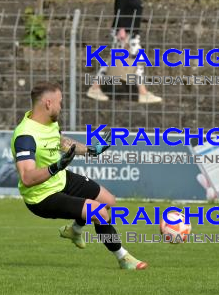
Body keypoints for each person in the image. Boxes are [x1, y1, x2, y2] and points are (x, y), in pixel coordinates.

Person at [12, 81, 147, 270]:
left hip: (60, 179)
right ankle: (123, 258)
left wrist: (91, 150)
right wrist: (55, 167)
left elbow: (60, 141)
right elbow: (27, 178)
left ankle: (74, 230)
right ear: (48, 103)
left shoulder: (48, 122)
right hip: (41, 196)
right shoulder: (25, 135)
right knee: (99, 212)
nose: (62, 106)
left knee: (109, 201)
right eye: (60, 102)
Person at [89, 0, 162, 103]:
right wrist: (121, 29)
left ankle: (141, 92)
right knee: (126, 60)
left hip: (133, 32)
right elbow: (119, 10)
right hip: (124, 32)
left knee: (131, 60)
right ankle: (142, 93)